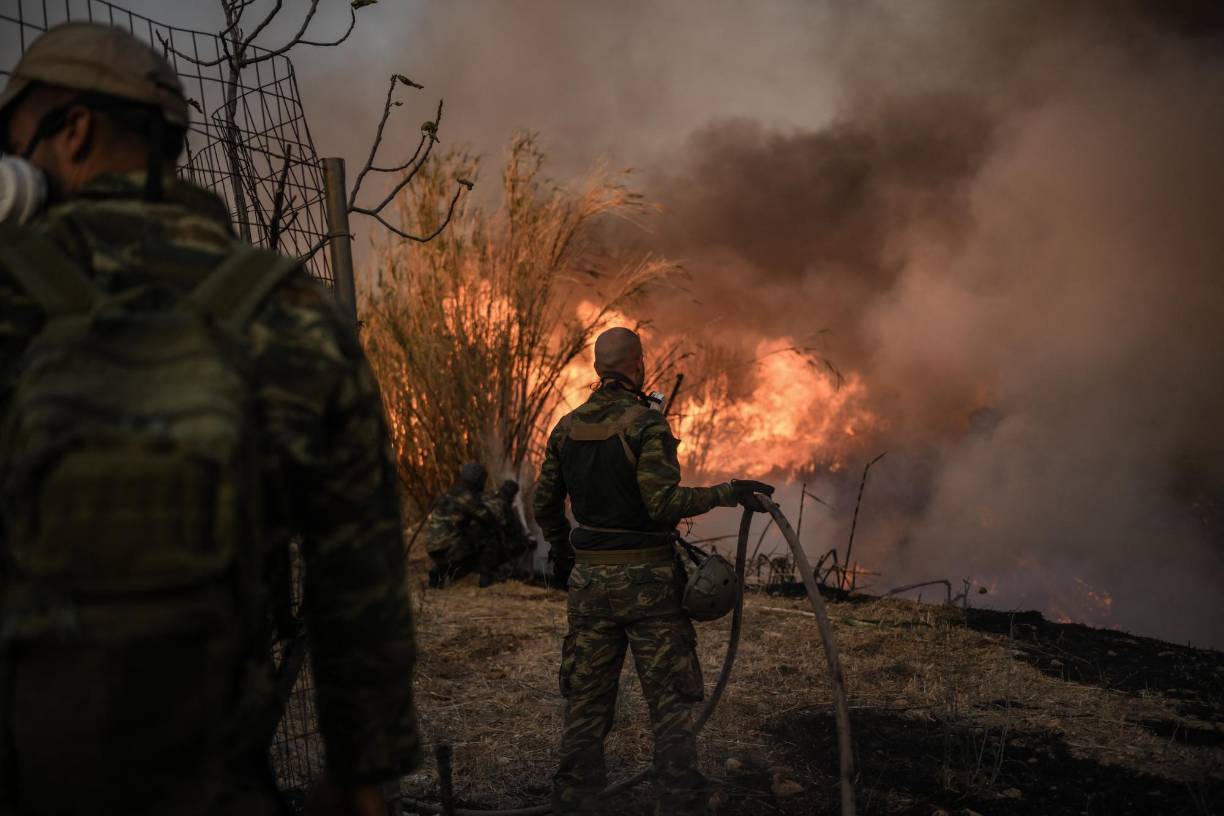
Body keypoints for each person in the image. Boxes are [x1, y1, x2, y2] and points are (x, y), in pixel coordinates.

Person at [0, 22, 419, 816]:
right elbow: (359, 574)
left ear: (74, 129)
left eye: (13, 137)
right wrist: (363, 771)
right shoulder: (290, 307)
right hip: (213, 781)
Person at [532, 326, 773, 816]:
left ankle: (576, 797)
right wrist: (728, 492)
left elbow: (544, 504)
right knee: (669, 700)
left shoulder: (566, 427)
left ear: (597, 368)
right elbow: (662, 504)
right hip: (650, 588)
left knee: (587, 699)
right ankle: (679, 798)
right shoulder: (646, 425)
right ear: (638, 365)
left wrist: (563, 554)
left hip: (590, 586)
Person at [426, 463, 528, 588]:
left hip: (433, 547)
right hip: (449, 546)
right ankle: (485, 576)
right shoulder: (467, 497)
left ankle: (441, 571)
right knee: (488, 535)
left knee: (470, 539)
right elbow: (488, 519)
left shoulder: (449, 493)